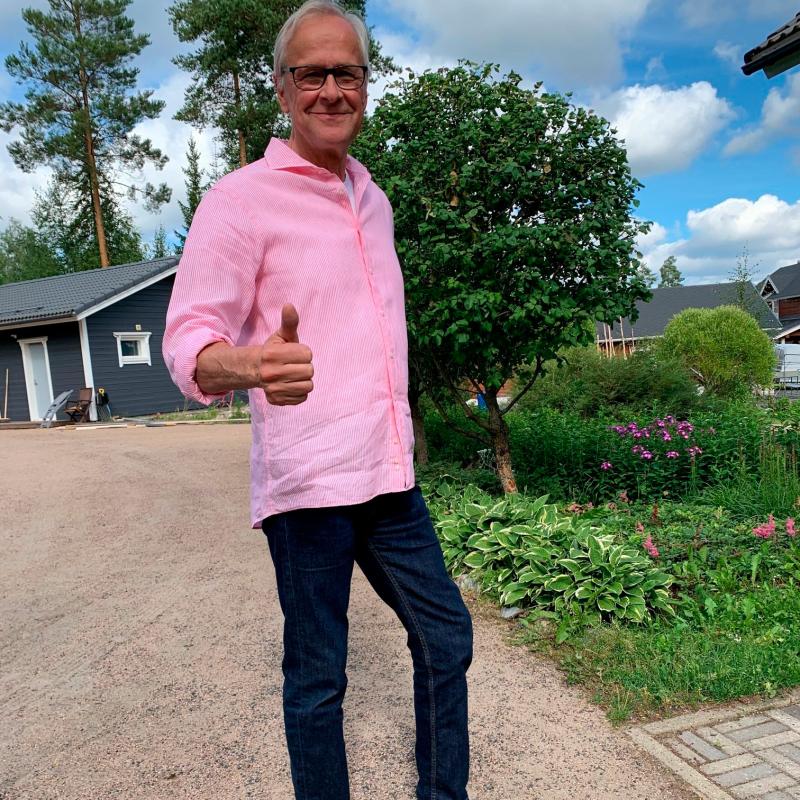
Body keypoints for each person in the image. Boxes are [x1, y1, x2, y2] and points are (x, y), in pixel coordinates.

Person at [162, 2, 473, 798]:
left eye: (348, 73)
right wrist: (249, 364)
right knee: (317, 678)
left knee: (446, 638)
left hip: (389, 476)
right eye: (312, 73)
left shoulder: (374, 198)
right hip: (308, 486)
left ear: (365, 85)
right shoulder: (239, 200)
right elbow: (189, 338)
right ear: (281, 88)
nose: (331, 89)